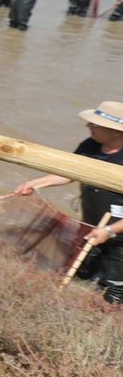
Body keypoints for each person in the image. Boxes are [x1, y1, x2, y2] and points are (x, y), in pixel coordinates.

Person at [13, 101, 123, 304]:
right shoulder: (90, 145)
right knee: (81, 275)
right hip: (92, 229)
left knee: (115, 293)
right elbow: (68, 173)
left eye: (95, 124)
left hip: (119, 236)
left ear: (116, 131)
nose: (88, 126)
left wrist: (109, 231)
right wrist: (35, 184)